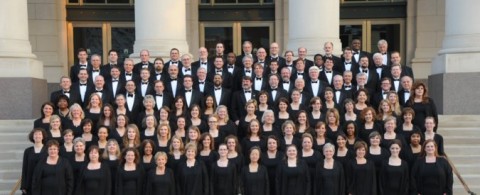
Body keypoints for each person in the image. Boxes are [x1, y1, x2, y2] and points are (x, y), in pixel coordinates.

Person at [21, 128, 48, 195]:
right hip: (30, 181)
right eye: (35, 134)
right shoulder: (28, 151)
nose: (37, 136)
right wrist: (23, 185)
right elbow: (25, 168)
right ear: (32, 137)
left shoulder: (48, 150)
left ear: (43, 136)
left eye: (39, 134)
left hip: (44, 181)